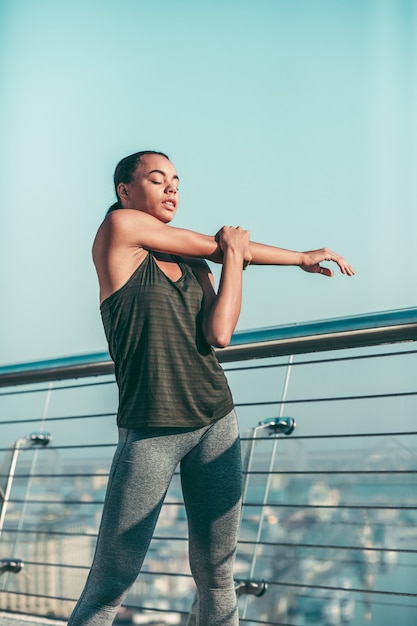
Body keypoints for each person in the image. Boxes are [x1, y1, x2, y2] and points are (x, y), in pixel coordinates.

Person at [68, 150, 354, 626]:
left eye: (176, 180)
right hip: (152, 428)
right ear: (124, 192)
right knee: (111, 581)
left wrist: (249, 260)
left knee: (217, 575)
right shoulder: (118, 232)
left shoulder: (193, 259)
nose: (171, 188)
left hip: (217, 420)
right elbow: (219, 244)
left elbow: (220, 334)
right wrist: (241, 250)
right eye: (157, 180)